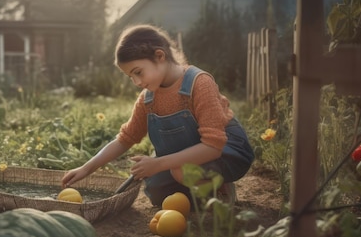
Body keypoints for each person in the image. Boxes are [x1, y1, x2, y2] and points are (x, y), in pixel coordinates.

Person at [61, 24, 255, 207]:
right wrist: (86, 168)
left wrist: (159, 163)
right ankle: (201, 190)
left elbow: (213, 147)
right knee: (157, 190)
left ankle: (220, 189)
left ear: (160, 56)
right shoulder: (148, 99)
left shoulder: (199, 83)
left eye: (138, 72)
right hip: (189, 155)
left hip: (228, 150)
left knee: (180, 171)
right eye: (130, 77)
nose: (136, 82)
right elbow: (125, 139)